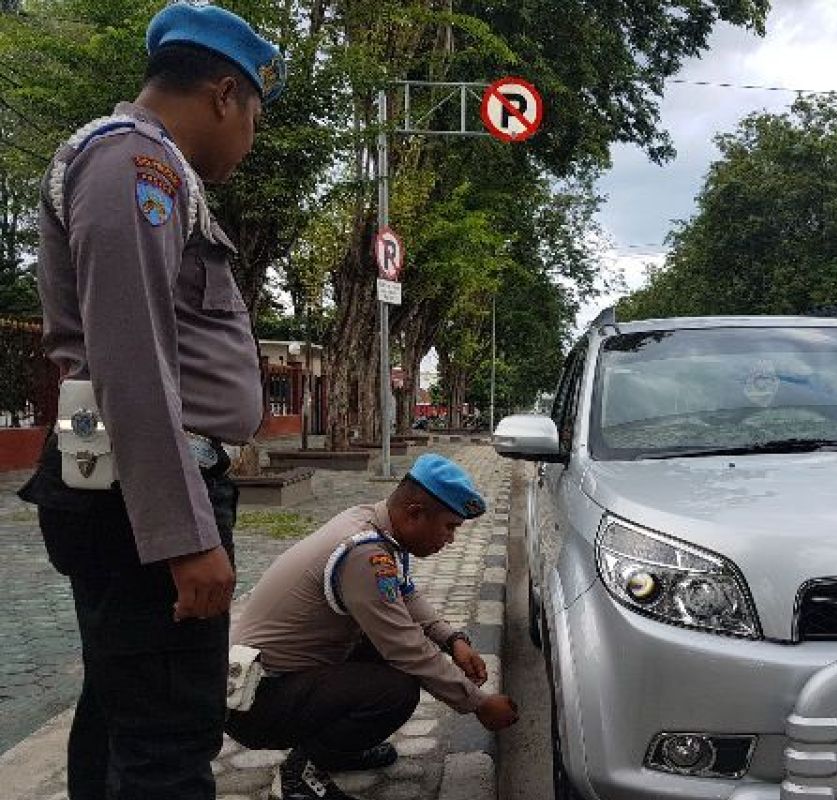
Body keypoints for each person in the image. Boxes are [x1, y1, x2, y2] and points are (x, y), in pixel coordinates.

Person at [16, 4, 285, 799]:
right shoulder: (138, 165)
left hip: (124, 492)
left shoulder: (146, 167)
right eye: (255, 117)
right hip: (144, 506)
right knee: (168, 743)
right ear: (224, 94)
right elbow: (130, 360)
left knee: (121, 717)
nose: (250, 137)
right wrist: (182, 535)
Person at [225, 454, 520, 800]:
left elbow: (404, 595)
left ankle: (338, 752)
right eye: (450, 527)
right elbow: (406, 647)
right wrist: (478, 703)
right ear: (414, 513)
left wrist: (452, 639)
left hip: (277, 682)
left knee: (384, 655)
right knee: (394, 691)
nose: (451, 540)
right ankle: (298, 777)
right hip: (257, 703)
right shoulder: (365, 553)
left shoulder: (373, 524)